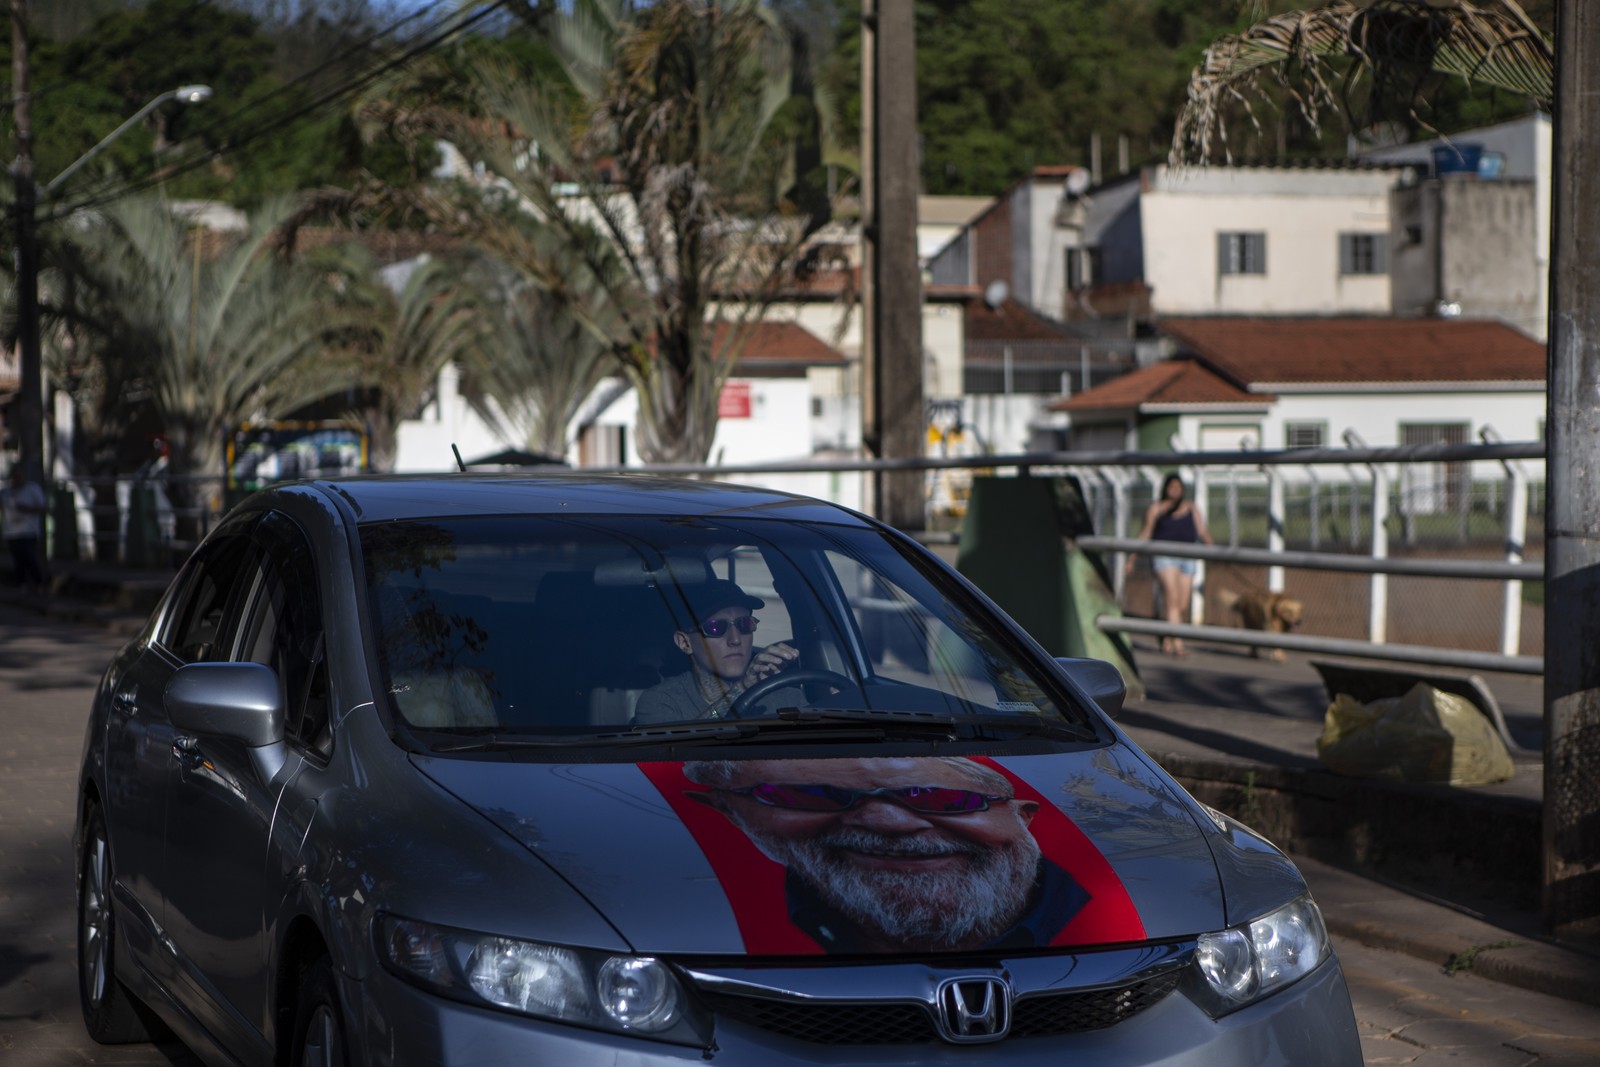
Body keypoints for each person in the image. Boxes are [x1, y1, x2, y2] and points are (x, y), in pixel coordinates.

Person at [682, 756, 1088, 953]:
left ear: (1023, 817)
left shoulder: (1125, 910)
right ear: (730, 812)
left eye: (943, 800)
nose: (889, 822)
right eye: (813, 796)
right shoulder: (701, 918)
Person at [632, 579, 802, 722]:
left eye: (744, 624)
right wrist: (742, 689)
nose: (735, 639)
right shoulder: (661, 701)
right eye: (716, 628)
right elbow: (682, 756)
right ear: (685, 642)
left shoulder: (787, 697)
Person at [1127, 473, 1212, 656]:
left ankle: (1167, 636)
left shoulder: (1191, 507)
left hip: (1188, 557)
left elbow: (1202, 531)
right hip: (1164, 558)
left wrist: (1214, 550)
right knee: (1172, 600)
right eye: (1171, 487)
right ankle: (1177, 643)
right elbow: (1145, 533)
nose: (1175, 491)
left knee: (1182, 605)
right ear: (1165, 488)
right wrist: (1132, 557)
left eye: (1178, 487)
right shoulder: (1156, 509)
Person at [1, 466, 48, 599]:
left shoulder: (32, 489)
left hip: (29, 530)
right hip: (11, 532)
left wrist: (28, 509)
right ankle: (21, 585)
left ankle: (39, 584)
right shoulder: (6, 493)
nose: (17, 479)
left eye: (20, 475)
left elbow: (43, 508)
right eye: (15, 476)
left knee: (30, 557)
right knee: (18, 560)